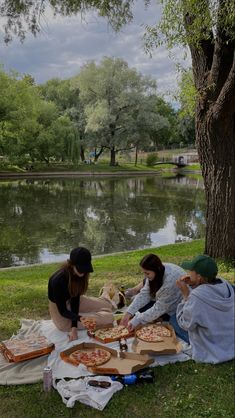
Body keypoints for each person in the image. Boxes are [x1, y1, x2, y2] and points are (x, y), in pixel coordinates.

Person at [176, 255, 235, 363]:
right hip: (228, 340)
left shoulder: (196, 297)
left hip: (211, 346)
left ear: (199, 277)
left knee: (173, 320)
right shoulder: (226, 285)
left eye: (191, 271)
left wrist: (185, 295)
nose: (188, 273)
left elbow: (185, 324)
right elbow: (207, 292)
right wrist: (193, 284)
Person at [48, 247, 115, 341]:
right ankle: (97, 309)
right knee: (109, 317)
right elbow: (63, 311)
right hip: (60, 312)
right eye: (81, 269)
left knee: (108, 305)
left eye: (85, 269)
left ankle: (105, 296)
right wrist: (77, 322)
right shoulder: (58, 280)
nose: (83, 273)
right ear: (72, 265)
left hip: (72, 301)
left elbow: (75, 301)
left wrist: (76, 321)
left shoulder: (81, 274)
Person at [120, 253, 186, 332]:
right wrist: (128, 313)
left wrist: (136, 320)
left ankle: (165, 317)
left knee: (176, 326)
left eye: (147, 273)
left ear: (156, 269)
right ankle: (160, 317)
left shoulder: (170, 281)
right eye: (144, 273)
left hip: (179, 306)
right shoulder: (158, 270)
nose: (145, 276)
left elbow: (159, 308)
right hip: (163, 301)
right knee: (138, 304)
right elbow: (144, 294)